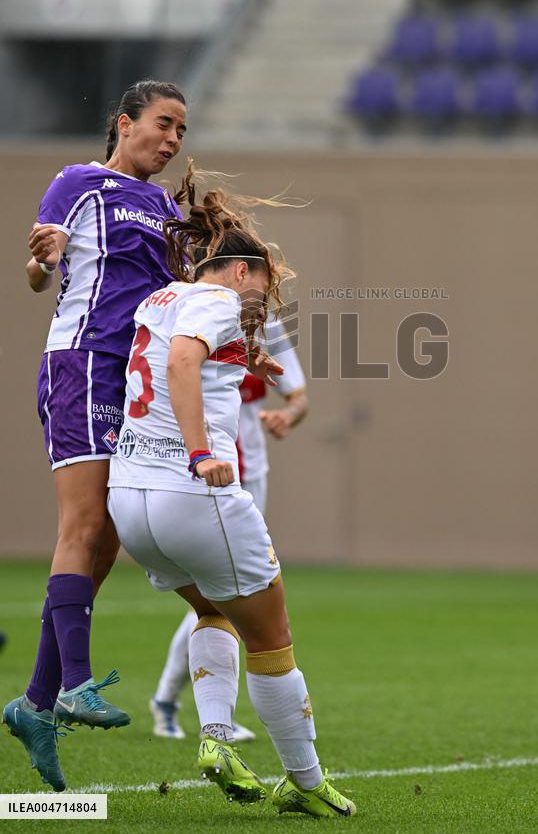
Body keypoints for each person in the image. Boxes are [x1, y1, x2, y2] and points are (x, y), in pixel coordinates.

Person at [107, 176, 356, 818]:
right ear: (240, 269)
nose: (263, 299)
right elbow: (184, 362)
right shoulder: (218, 302)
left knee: (212, 613)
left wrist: (250, 361)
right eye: (262, 284)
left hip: (129, 497)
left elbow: (167, 360)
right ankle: (306, 781)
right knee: (272, 640)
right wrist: (200, 452)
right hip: (192, 493)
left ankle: (217, 742)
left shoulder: (160, 297)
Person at [2, 80, 188, 793]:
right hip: (82, 364)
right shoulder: (80, 183)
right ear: (124, 124)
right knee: (83, 523)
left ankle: (36, 704)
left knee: (109, 540)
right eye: (162, 124)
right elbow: (37, 271)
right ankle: (74, 683)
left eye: (180, 131)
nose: (171, 141)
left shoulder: (167, 206)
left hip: (132, 381)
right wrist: (42, 257)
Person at [150, 316, 308, 741]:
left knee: (229, 598)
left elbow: (298, 397)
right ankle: (179, 703)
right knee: (229, 599)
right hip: (202, 470)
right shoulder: (191, 313)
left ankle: (176, 702)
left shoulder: (267, 325)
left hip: (249, 475)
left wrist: (287, 417)